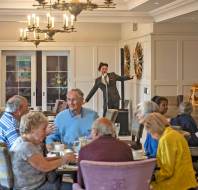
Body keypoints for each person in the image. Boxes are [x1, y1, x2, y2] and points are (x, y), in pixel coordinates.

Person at [10, 111, 75, 190]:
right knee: (73, 187)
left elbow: (41, 160)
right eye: (43, 129)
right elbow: (45, 167)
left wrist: (61, 156)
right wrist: (65, 159)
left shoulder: (21, 141)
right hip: (33, 187)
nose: (45, 133)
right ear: (32, 129)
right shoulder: (26, 146)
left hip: (34, 185)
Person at [144, 113, 197, 190]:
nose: (151, 136)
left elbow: (167, 172)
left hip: (178, 184)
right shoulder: (173, 133)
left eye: (149, 132)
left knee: (146, 186)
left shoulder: (166, 139)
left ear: (153, 129)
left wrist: (153, 176)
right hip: (187, 181)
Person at [77, 117, 133, 188]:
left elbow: (81, 182)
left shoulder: (84, 150)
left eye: (91, 131)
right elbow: (130, 177)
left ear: (95, 132)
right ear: (113, 131)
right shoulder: (126, 148)